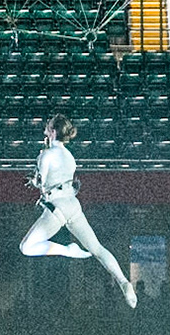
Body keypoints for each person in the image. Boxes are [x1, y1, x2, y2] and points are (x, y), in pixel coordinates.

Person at [19, 113, 138, 308]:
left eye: (47, 127)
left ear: (53, 131)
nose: (44, 129)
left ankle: (67, 250)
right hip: (73, 205)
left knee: (26, 248)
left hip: (57, 208)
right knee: (98, 249)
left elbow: (42, 184)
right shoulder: (69, 156)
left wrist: (32, 180)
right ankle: (124, 282)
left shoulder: (46, 155)